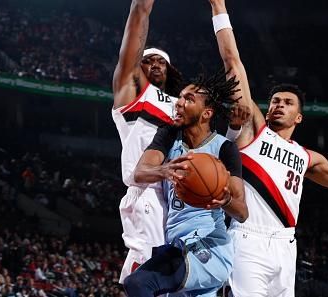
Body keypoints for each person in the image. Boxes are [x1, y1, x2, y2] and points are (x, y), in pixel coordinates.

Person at [207, 1, 328, 296]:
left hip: (286, 244)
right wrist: (219, 7)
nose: (279, 105)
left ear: (299, 117)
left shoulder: (308, 157)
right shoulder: (254, 131)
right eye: (276, 101)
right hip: (247, 240)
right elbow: (232, 62)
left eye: (288, 102)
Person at [124, 71, 248, 296]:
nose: (179, 103)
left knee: (139, 283)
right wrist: (164, 170)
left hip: (209, 246)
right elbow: (140, 173)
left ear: (206, 113)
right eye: (180, 97)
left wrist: (225, 199)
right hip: (178, 245)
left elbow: (242, 212)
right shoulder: (169, 135)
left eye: (189, 99)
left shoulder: (224, 149)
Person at [111, 0, 183, 284]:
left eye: (160, 61)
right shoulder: (132, 93)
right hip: (147, 190)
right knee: (146, 274)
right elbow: (138, 16)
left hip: (180, 199)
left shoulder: (180, 104)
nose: (154, 64)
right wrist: (142, 7)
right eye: (147, 60)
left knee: (171, 281)